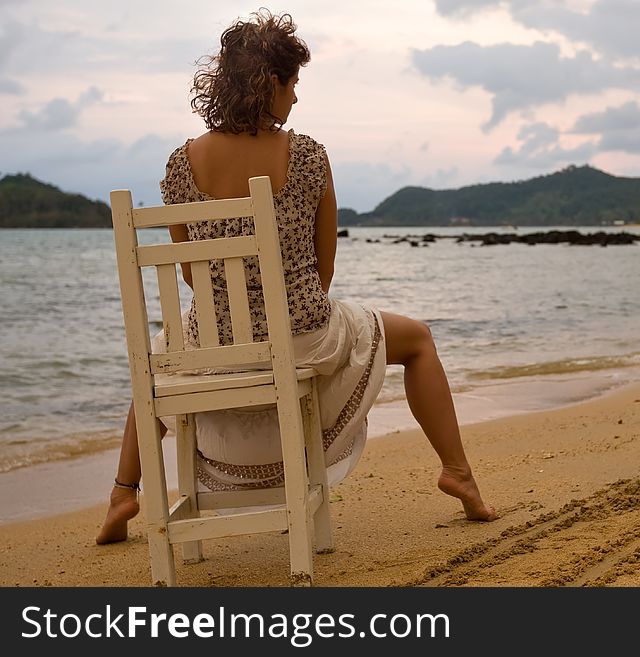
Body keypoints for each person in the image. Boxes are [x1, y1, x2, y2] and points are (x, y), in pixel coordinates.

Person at [96, 10, 495, 545]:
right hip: (301, 337)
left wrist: (231, 318)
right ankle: (458, 473)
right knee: (419, 340)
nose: (296, 98)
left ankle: (124, 491)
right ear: (270, 84)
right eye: (293, 84)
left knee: (159, 357)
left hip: (210, 345)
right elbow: (323, 269)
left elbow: (190, 271)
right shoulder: (306, 155)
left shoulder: (180, 164)